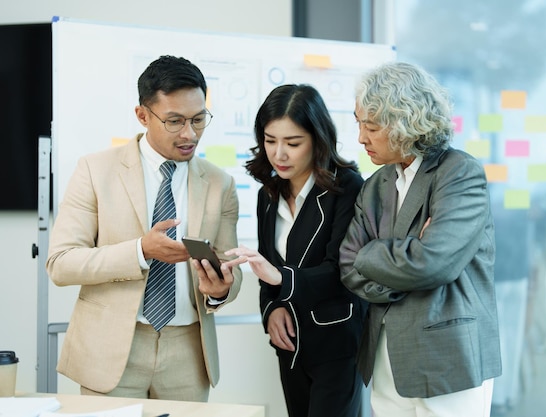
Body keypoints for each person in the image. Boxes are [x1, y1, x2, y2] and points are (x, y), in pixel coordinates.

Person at [46, 55, 242, 401]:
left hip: (189, 353)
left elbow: (229, 266)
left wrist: (221, 289)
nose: (189, 133)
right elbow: (61, 264)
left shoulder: (219, 183)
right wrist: (140, 251)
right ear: (142, 116)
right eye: (175, 121)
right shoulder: (95, 170)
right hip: (111, 350)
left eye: (199, 119)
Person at [339, 61, 501, 417]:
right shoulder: (376, 185)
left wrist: (374, 255)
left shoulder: (458, 173)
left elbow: (433, 263)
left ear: (404, 122)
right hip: (385, 358)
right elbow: (350, 265)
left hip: (448, 356)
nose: (361, 138)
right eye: (359, 124)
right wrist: (405, 257)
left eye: (372, 126)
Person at [222, 84, 366, 417]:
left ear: (318, 139)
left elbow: (343, 270)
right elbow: (265, 269)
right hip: (289, 344)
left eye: (293, 143)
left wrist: (282, 282)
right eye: (270, 141)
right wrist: (271, 309)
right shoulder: (268, 194)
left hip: (336, 344)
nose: (279, 154)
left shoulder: (347, 188)